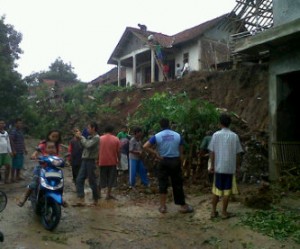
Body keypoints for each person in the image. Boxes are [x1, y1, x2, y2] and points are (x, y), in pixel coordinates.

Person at [143, 118, 193, 214]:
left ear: (160, 125)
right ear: (169, 124)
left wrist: (156, 154)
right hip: (175, 161)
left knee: (162, 183)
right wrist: (181, 163)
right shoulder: (178, 135)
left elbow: (145, 146)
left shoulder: (157, 136)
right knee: (177, 184)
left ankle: (162, 207)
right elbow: (181, 152)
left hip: (163, 161)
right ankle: (183, 205)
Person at [208, 113, 243, 219]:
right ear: (230, 123)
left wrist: (212, 166)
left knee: (216, 190)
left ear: (220, 123)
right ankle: (224, 212)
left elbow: (212, 152)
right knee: (227, 191)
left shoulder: (215, 135)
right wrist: (237, 167)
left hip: (218, 167)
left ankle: (213, 212)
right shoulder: (235, 136)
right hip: (229, 168)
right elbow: (238, 154)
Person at [17, 140, 59, 207]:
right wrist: (34, 156)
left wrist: (65, 162)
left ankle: (60, 198)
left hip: (52, 172)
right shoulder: (43, 156)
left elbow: (61, 162)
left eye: (53, 147)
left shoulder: (57, 157)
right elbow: (35, 155)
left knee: (58, 183)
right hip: (40, 170)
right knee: (34, 183)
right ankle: (24, 198)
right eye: (49, 147)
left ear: (56, 149)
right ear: (45, 149)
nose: (51, 149)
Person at [75, 122, 100, 206]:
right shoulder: (89, 137)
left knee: (92, 181)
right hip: (85, 160)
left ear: (93, 128)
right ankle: (81, 198)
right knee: (79, 179)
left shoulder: (96, 138)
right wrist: (79, 139)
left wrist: (81, 137)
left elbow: (88, 145)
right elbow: (83, 146)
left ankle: (95, 199)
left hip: (91, 161)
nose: (87, 129)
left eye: (89, 128)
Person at [98, 125, 121, 200]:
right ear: (112, 131)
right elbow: (118, 152)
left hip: (102, 161)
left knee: (101, 177)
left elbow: (97, 150)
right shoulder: (116, 139)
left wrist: (97, 160)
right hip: (112, 161)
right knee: (111, 178)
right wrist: (119, 160)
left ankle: (98, 194)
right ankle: (108, 194)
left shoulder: (100, 138)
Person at [0, 118, 12, 184]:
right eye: (0, 123)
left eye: (2, 123)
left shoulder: (6, 133)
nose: (1, 124)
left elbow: (8, 142)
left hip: (6, 152)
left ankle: (6, 179)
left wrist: (10, 151)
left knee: (8, 166)